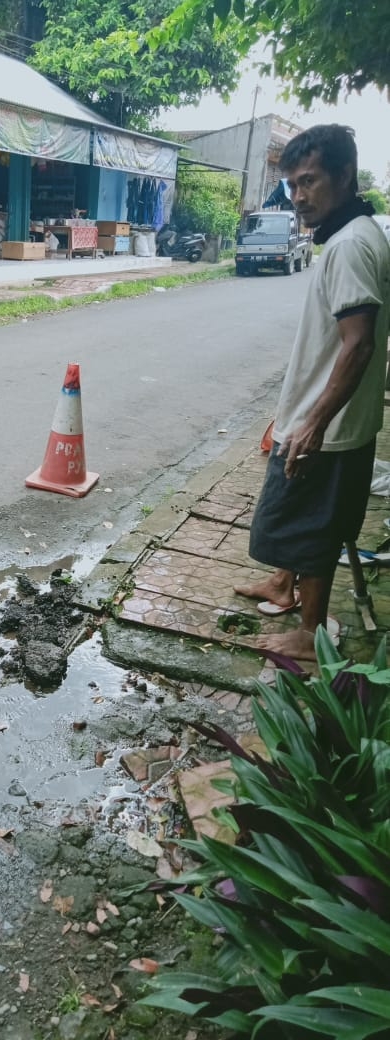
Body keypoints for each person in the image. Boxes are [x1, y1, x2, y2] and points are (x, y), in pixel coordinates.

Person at [235, 124, 390, 661]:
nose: (299, 197)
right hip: (331, 418)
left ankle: (310, 632)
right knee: (307, 517)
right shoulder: (360, 234)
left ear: (343, 177)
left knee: (311, 524)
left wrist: (315, 422)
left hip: (329, 426)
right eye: (292, 186)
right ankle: (283, 585)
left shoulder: (349, 247)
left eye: (310, 182)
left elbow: (359, 345)